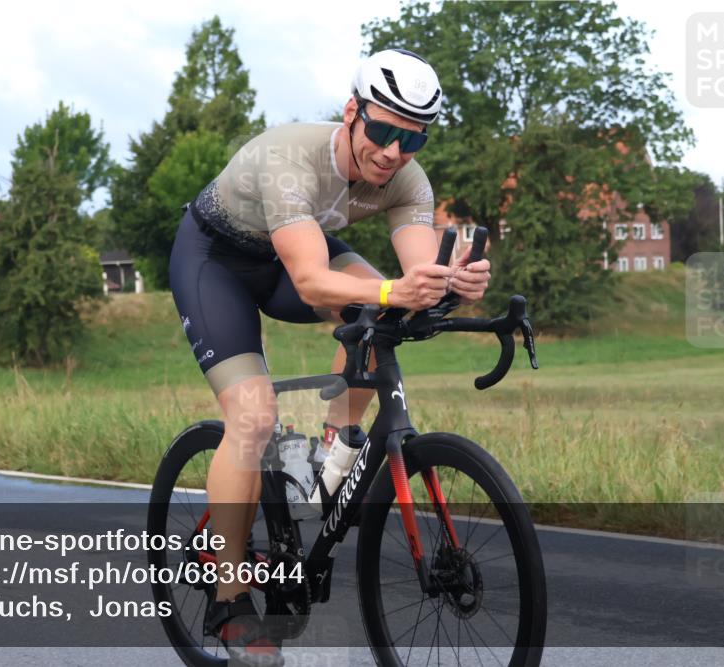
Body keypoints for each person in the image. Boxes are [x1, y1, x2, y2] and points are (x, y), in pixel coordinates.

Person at [168, 48, 491, 666]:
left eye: (412, 138)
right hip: (217, 262)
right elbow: (314, 282)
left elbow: (419, 276)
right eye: (383, 129)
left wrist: (455, 282)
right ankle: (230, 595)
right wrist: (396, 290)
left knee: (386, 320)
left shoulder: (406, 179)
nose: (393, 151)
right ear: (352, 113)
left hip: (295, 252)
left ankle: (331, 456)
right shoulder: (293, 159)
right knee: (253, 415)